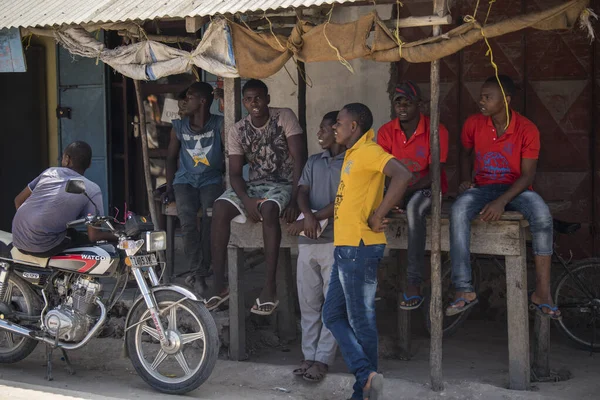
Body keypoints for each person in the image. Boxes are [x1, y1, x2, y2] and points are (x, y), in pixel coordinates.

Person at [447, 75, 560, 319]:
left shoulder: (527, 129)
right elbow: (465, 153)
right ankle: (464, 289)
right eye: (481, 96)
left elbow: (527, 176)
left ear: (506, 101)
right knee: (458, 210)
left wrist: (501, 201)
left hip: (516, 189)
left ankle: (542, 292)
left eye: (488, 97)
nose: (481, 101)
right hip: (483, 187)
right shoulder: (474, 124)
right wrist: (466, 180)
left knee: (541, 215)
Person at [322, 103, 412, 400]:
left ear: (354, 126)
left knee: (361, 319)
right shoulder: (352, 153)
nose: (335, 126)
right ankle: (366, 376)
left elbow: (402, 174)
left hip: (359, 247)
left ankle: (364, 389)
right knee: (332, 314)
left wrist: (379, 214)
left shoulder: (370, 150)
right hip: (345, 247)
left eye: (339, 121)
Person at [207, 79, 307, 315]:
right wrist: (246, 200)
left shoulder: (284, 117)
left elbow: (301, 159)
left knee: (270, 210)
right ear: (243, 102)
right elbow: (234, 174)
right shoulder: (238, 129)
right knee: (219, 207)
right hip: (256, 185)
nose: (255, 103)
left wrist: (295, 199)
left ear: (268, 99)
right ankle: (219, 285)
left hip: (284, 184)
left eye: (259, 97)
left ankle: (269, 288)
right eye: (250, 99)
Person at [377, 81, 449, 310]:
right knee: (372, 213)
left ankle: (413, 282)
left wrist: (400, 192)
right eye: (398, 102)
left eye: (408, 102)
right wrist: (392, 196)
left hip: (426, 188)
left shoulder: (436, 131)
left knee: (414, 210)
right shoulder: (387, 131)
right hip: (397, 188)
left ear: (420, 105)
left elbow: (434, 173)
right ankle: (372, 279)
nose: (403, 107)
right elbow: (385, 170)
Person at [287, 111, 343, 383]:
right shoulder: (313, 161)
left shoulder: (350, 162)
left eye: (323, 129)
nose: (318, 133)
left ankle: (322, 359)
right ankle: (308, 355)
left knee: (330, 305)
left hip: (335, 241)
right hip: (308, 240)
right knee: (308, 303)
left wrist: (314, 217)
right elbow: (302, 192)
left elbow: (344, 199)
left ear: (337, 130)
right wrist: (307, 216)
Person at [163, 82, 224, 293]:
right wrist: (169, 187)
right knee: (188, 221)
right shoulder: (178, 127)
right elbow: (170, 159)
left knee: (211, 220)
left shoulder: (219, 124)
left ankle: (203, 269)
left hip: (211, 180)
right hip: (185, 181)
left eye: (189, 97)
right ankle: (197, 273)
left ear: (203, 101)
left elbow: (233, 154)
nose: (185, 101)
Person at [12, 141, 114, 257]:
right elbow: (94, 236)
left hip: (17, 240)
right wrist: (120, 235)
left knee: (70, 234)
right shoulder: (92, 189)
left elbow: (18, 201)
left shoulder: (50, 172)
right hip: (43, 247)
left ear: (66, 159)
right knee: (90, 248)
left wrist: (29, 228)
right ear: (89, 164)